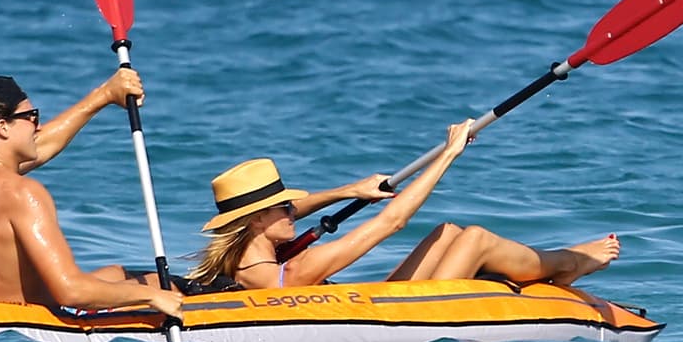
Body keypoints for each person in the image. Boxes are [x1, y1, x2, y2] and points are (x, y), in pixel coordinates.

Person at [188, 119, 620, 291]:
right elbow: (393, 221)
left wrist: (350, 190)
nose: (293, 210)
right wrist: (448, 153)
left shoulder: (248, 259)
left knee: (449, 232)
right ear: (259, 220)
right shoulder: (294, 270)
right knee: (474, 239)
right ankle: (569, 263)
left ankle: (562, 264)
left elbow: (295, 212)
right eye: (284, 208)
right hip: (395, 324)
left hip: (376, 300)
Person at [0, 72, 183, 319]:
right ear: (3, 127)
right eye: (31, 116)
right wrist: (153, 296)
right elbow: (71, 292)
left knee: (115, 273)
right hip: (30, 325)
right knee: (161, 286)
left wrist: (105, 95)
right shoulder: (23, 193)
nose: (38, 126)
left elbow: (42, 145)